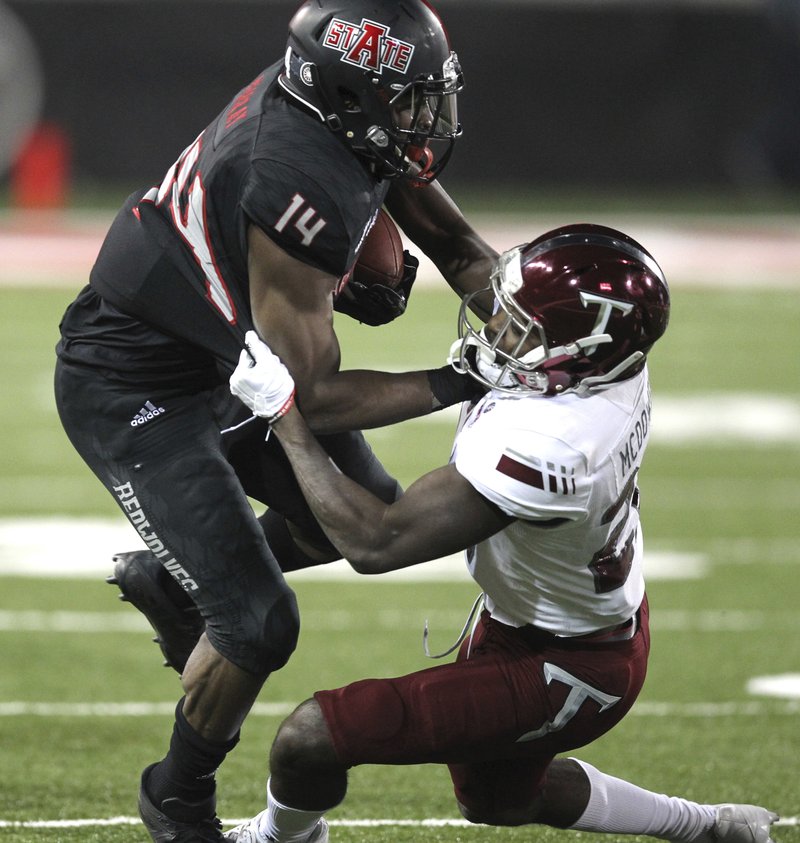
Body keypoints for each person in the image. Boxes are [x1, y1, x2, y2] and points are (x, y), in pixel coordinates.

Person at [53, 2, 498, 840]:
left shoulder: (345, 121)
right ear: (351, 95)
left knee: (349, 512)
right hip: (136, 381)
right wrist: (461, 377)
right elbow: (315, 395)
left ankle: (173, 578)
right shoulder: (294, 174)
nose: (424, 119)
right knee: (260, 621)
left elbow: (461, 248)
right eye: (406, 100)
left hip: (229, 357)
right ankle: (176, 795)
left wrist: (540, 327)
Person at [219, 224, 779, 843]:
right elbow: (461, 249)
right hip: (558, 616)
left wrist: (286, 419)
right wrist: (396, 169)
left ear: (579, 350)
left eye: (522, 327)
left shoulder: (553, 447)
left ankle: (282, 837)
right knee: (500, 800)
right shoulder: (606, 367)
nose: (497, 331)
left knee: (310, 738)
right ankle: (710, 829)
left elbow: (375, 542)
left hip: (569, 664)